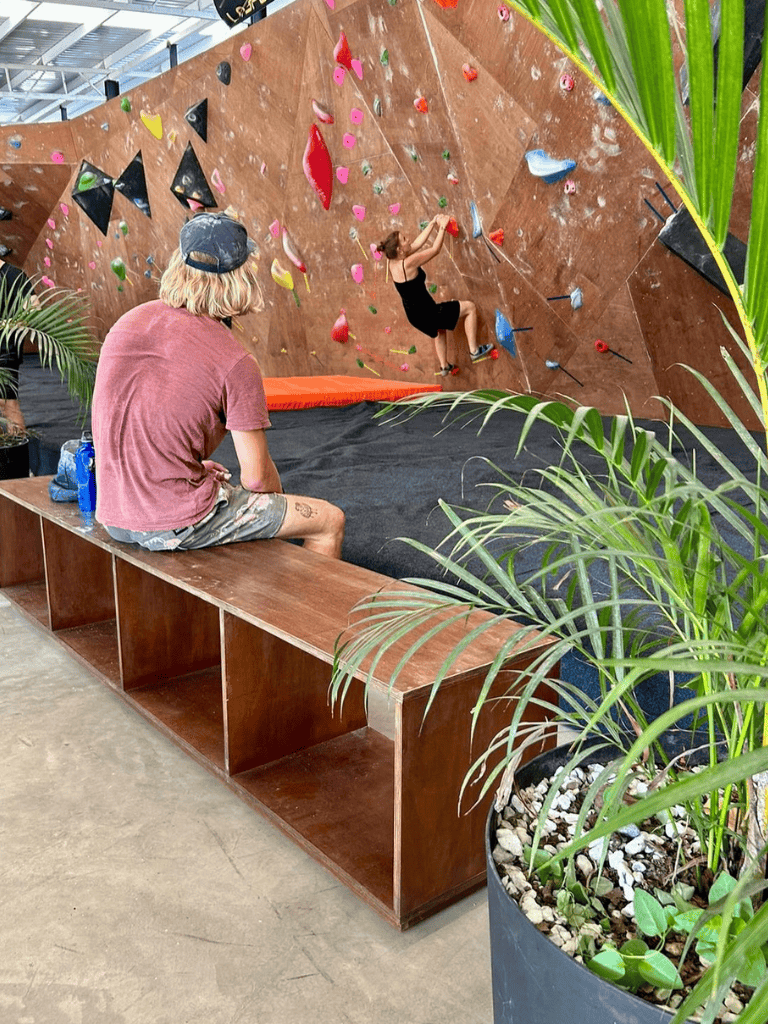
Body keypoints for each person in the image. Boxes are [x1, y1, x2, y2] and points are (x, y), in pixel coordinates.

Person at [91, 211, 345, 559]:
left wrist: (186, 469)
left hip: (112, 512)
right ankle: (299, 613)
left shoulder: (128, 321)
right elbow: (256, 480)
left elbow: (131, 423)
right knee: (329, 520)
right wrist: (276, 501)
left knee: (225, 487)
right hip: (170, 522)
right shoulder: (235, 361)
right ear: (240, 277)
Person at [376, 214, 493, 375]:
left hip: (414, 316)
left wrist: (432, 224)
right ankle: (474, 351)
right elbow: (435, 250)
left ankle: (444, 367)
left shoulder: (393, 261)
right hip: (427, 313)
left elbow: (415, 245)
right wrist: (443, 227)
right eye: (404, 239)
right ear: (399, 250)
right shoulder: (408, 263)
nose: (408, 239)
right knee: (470, 308)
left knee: (439, 331)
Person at [0, 256, 35, 433]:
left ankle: (17, 452)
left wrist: (6, 324)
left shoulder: (14, 275)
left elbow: (35, 310)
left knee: (8, 405)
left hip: (5, 353)